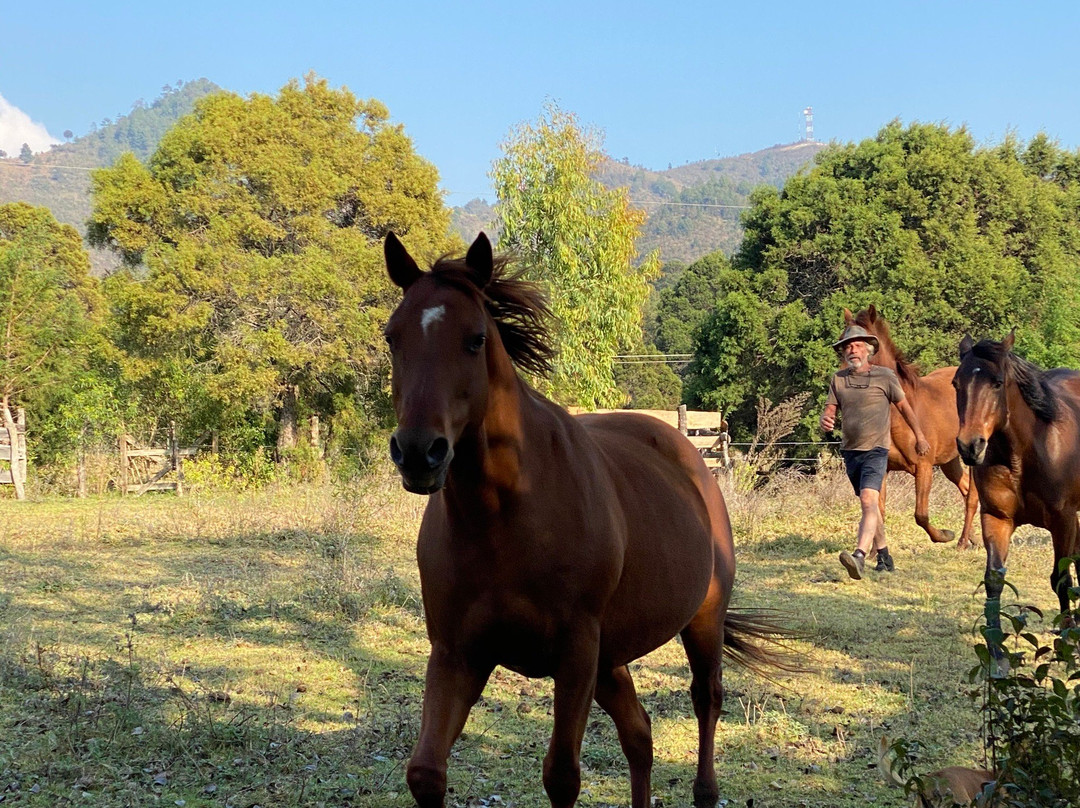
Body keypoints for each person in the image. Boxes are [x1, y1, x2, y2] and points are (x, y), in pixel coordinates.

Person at [820, 324, 929, 580]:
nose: (852, 350)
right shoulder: (838, 379)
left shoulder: (885, 377)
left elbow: (904, 408)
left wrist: (920, 437)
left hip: (877, 450)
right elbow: (830, 409)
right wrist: (826, 419)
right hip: (850, 452)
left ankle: (859, 556)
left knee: (869, 501)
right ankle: (884, 555)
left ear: (868, 350)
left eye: (857, 345)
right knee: (870, 506)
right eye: (847, 346)